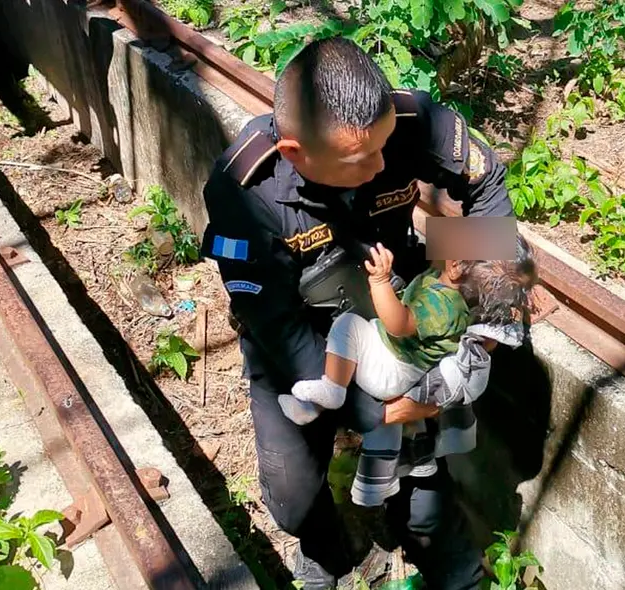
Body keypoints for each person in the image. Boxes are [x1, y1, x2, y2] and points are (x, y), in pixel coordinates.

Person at [201, 36, 515, 589]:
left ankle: (454, 568)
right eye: (358, 159)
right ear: (298, 152)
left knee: (420, 488)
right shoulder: (245, 193)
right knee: (291, 500)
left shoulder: (413, 124)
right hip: (300, 341)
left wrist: (489, 309)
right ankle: (325, 550)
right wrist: (377, 407)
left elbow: (486, 181)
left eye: (385, 146)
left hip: (389, 312)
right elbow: (274, 322)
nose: (380, 165)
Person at [281, 243, 533, 426]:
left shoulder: (443, 306)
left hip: (389, 367)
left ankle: (332, 389)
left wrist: (379, 281)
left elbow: (398, 324)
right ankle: (309, 407)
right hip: (397, 367)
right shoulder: (454, 290)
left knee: (348, 325)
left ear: (455, 266)